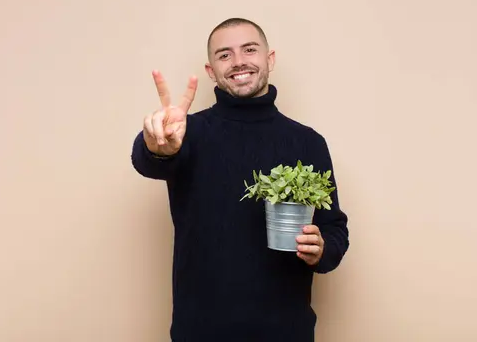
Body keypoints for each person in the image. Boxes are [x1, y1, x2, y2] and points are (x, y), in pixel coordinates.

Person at [131, 18, 349, 342]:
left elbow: (334, 229)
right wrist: (157, 144)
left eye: (249, 49)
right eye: (224, 55)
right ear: (211, 71)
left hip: (286, 332)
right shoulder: (188, 134)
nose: (238, 62)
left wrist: (322, 249)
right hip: (200, 332)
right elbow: (147, 160)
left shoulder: (307, 142)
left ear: (269, 59)